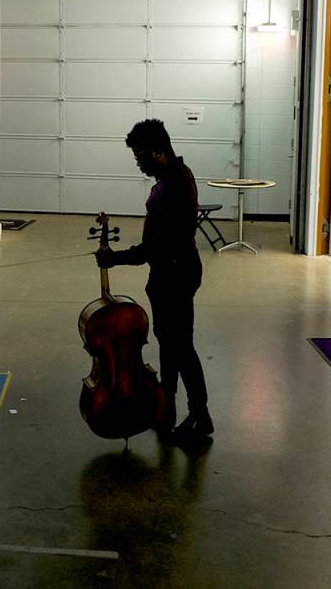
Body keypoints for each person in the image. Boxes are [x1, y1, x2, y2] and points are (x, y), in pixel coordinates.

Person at [95, 119, 213, 440]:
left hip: (176, 274)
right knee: (169, 344)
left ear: (158, 152)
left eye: (140, 156)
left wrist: (116, 258)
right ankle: (167, 408)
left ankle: (200, 416)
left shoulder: (173, 186)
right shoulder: (174, 176)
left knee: (181, 348)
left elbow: (156, 247)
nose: (138, 163)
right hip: (170, 272)